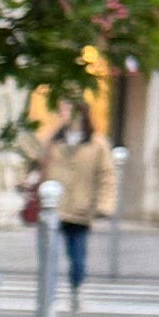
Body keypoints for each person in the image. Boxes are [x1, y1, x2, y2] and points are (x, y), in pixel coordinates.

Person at [48, 97, 122, 301]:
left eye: (67, 111)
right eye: (61, 111)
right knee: (49, 256)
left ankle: (76, 288)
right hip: (54, 208)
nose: (63, 115)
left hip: (81, 208)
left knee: (78, 259)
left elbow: (107, 176)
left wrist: (104, 205)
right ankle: (49, 296)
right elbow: (40, 163)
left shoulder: (97, 143)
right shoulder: (55, 140)